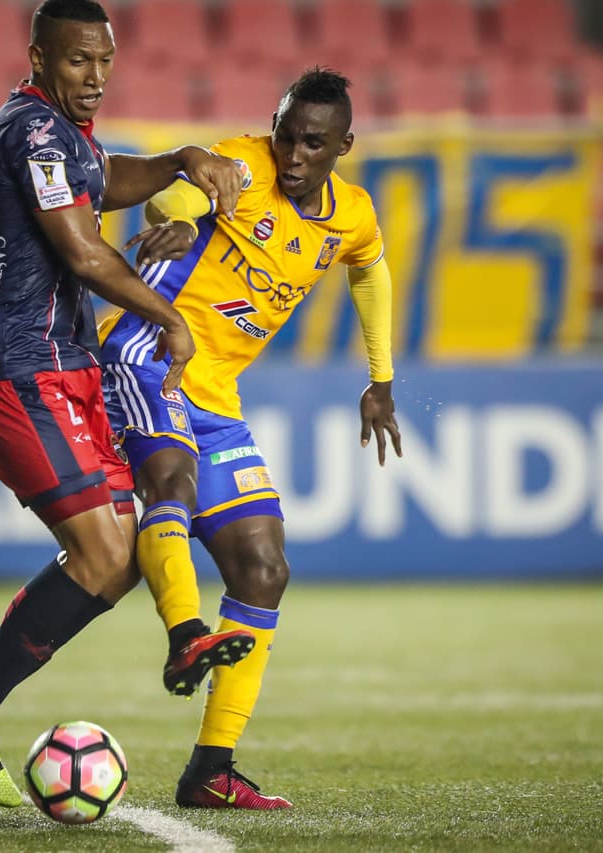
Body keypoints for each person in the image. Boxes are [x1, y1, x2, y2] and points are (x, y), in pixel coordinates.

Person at [0, 0, 247, 808]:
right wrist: (169, 318)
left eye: (105, 61)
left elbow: (108, 179)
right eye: (78, 60)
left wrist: (178, 161)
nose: (95, 77)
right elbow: (84, 253)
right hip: (16, 364)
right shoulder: (32, 130)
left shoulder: (68, 134)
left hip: (62, 364)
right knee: (101, 552)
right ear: (39, 58)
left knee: (118, 559)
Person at [99, 67, 403, 809]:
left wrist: (381, 377)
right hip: (146, 355)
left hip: (215, 396)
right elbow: (182, 193)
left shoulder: (352, 214)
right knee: (171, 481)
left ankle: (211, 770)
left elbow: (371, 271)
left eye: (313, 144)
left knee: (264, 568)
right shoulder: (244, 163)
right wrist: (174, 219)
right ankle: (185, 635)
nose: (293, 156)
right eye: (286, 136)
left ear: (343, 146)